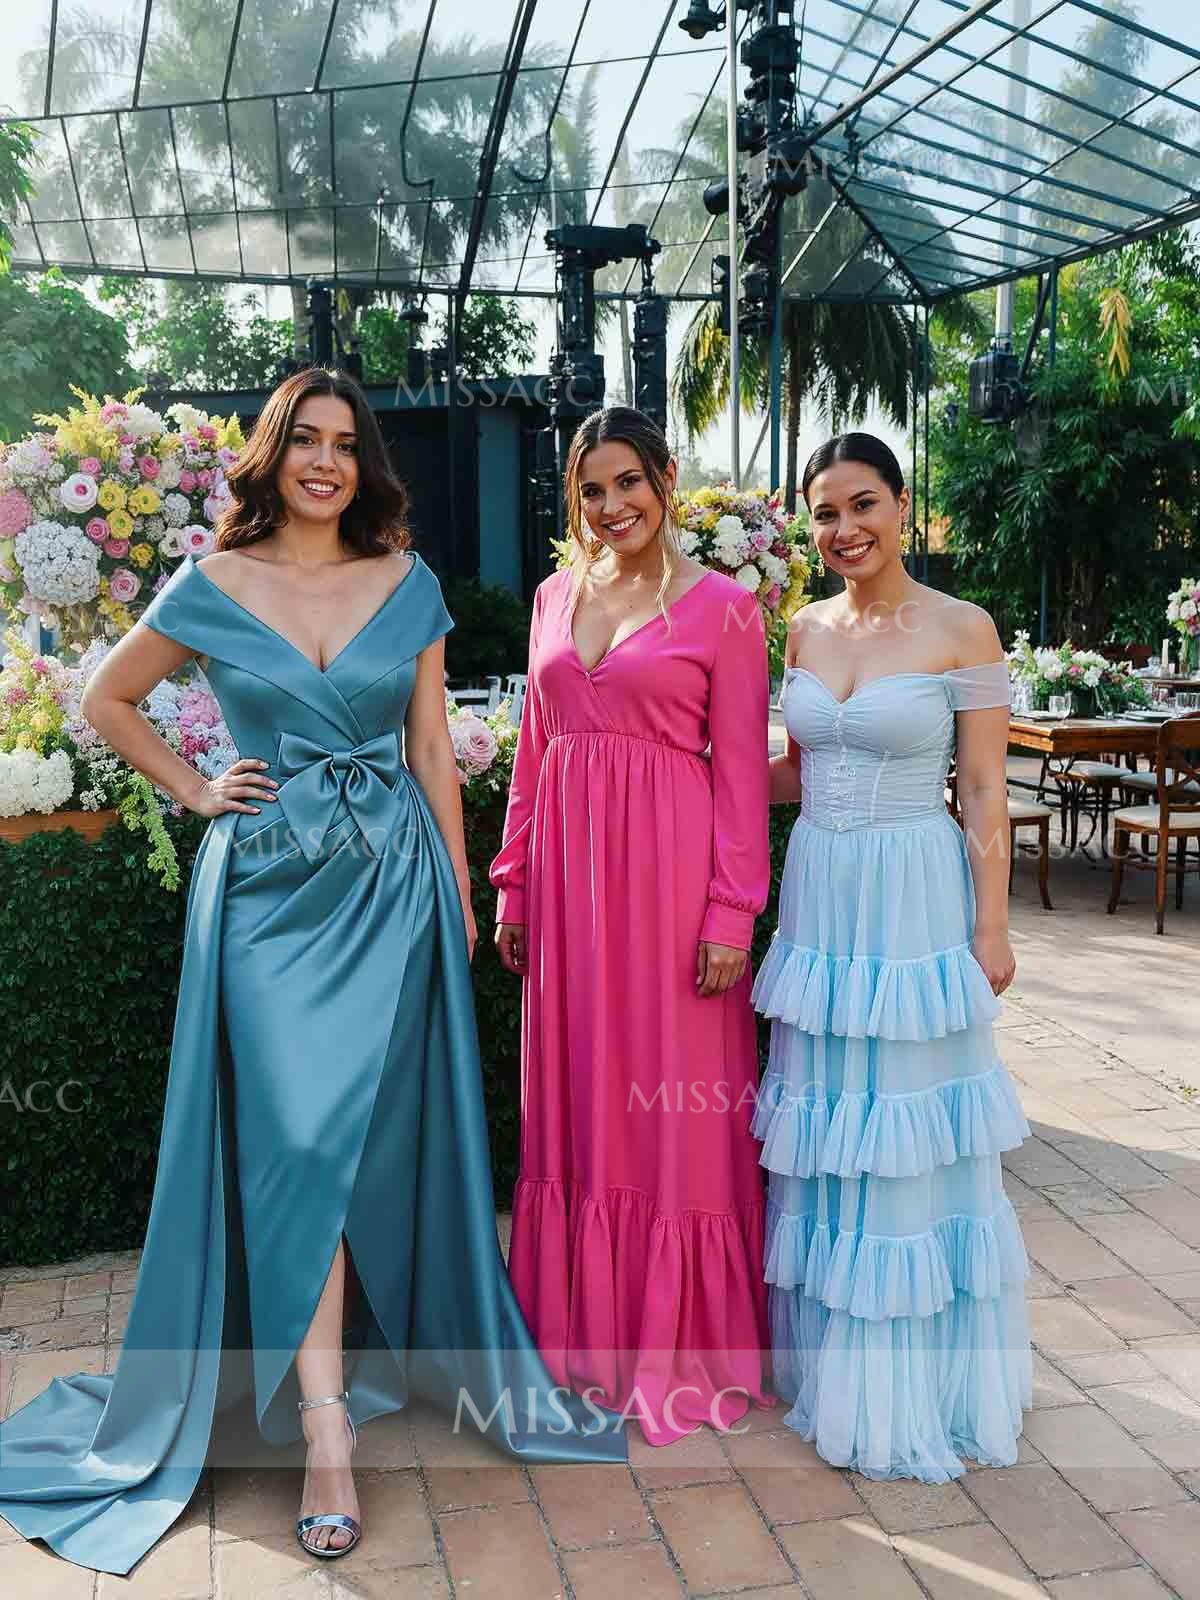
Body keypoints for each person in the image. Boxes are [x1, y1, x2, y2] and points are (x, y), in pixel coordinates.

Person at [0, 368, 624, 1579]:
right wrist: (194, 788)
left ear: (364, 461)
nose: (326, 461)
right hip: (267, 896)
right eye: (305, 440)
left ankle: (336, 1387)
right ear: (274, 455)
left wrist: (457, 890)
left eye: (345, 442)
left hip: (391, 887)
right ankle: (327, 1429)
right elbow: (106, 695)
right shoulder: (215, 582)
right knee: (297, 1147)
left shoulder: (406, 579)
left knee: (366, 1144)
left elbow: (431, 744)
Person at [490, 405, 773, 1446]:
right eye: (592, 490)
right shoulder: (552, 597)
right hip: (568, 895)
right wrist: (514, 884)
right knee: (576, 1102)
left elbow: (741, 774)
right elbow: (534, 748)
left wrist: (732, 910)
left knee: (676, 1119)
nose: (612, 506)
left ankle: (677, 1342)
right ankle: (578, 1339)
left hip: (673, 892)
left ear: (665, 480)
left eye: (628, 483)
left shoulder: (726, 611)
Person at [754, 432, 1031, 1481]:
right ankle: (835, 1366)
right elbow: (793, 770)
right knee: (833, 1118)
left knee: (906, 1124)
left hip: (914, 893)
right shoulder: (803, 626)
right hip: (821, 888)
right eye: (825, 513)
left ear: (903, 504)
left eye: (862, 504)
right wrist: (676, 765)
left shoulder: (962, 627)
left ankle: (914, 1385)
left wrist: (992, 925)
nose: (844, 529)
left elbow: (987, 790)